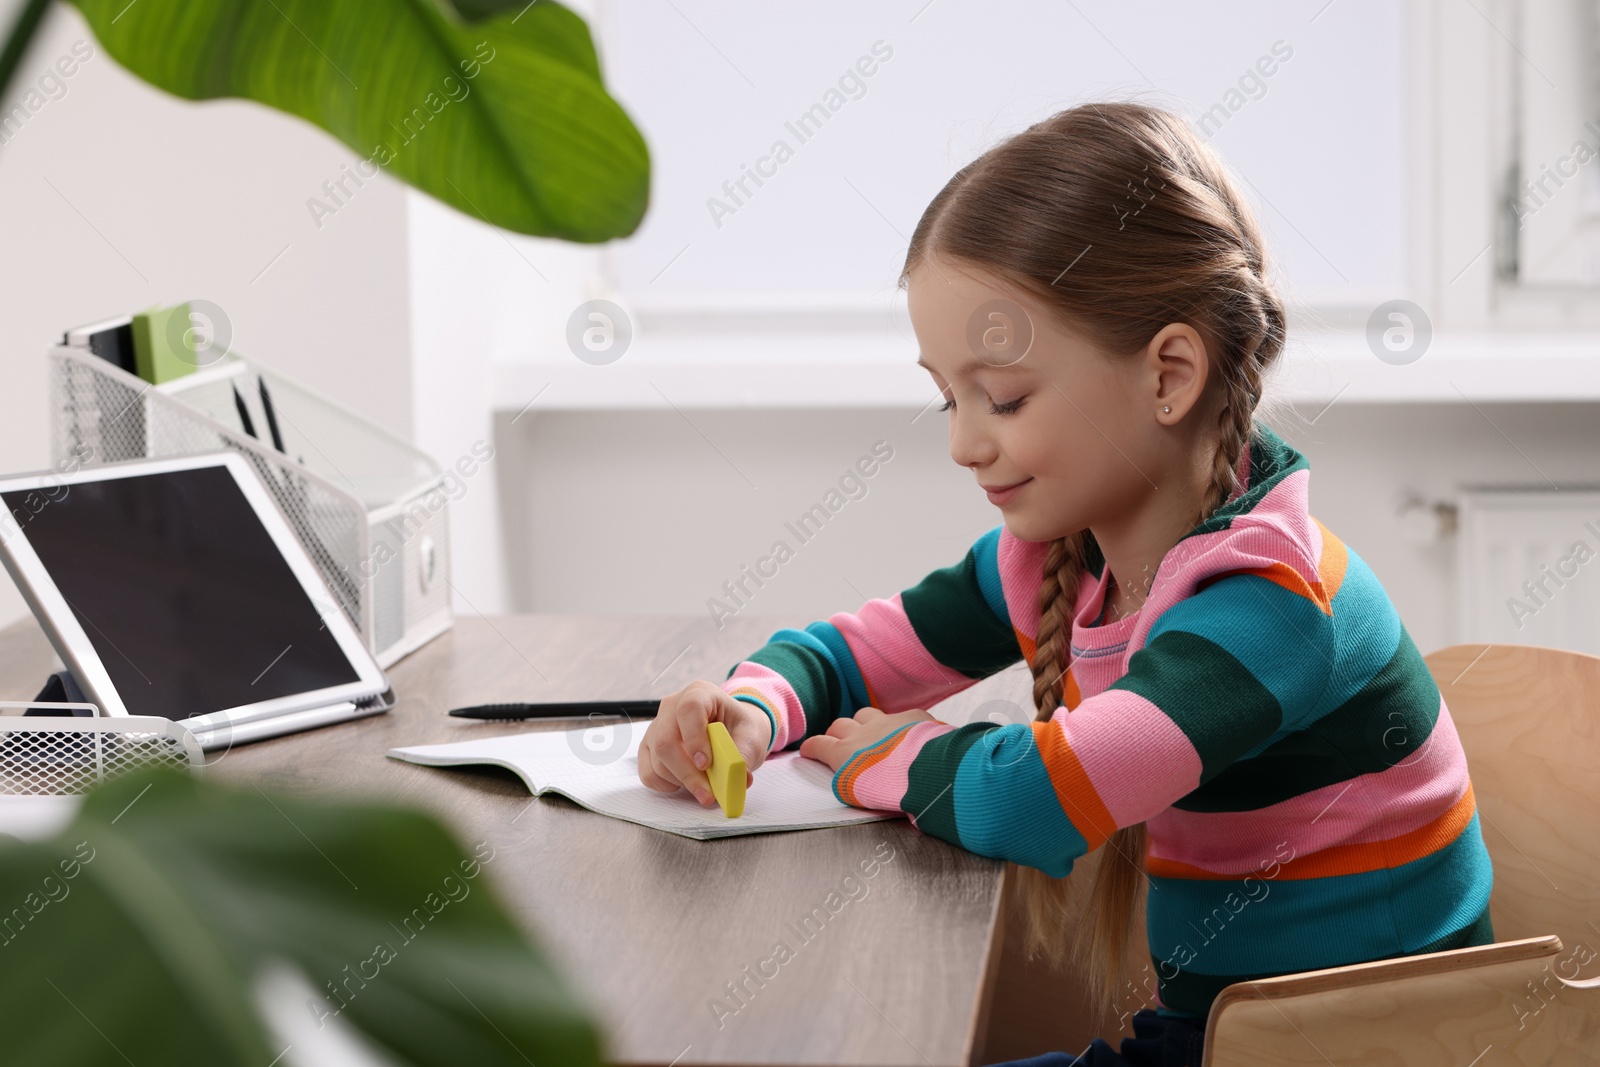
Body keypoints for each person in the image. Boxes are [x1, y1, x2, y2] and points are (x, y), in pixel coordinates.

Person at [636, 102, 1494, 1067]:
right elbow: (861, 653)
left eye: (1003, 397)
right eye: (948, 397)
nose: (964, 442)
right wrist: (751, 707)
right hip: (1217, 1033)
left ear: (1169, 375)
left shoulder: (1274, 603)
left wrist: (887, 757)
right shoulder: (1057, 557)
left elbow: (1043, 797)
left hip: (1362, 1049)